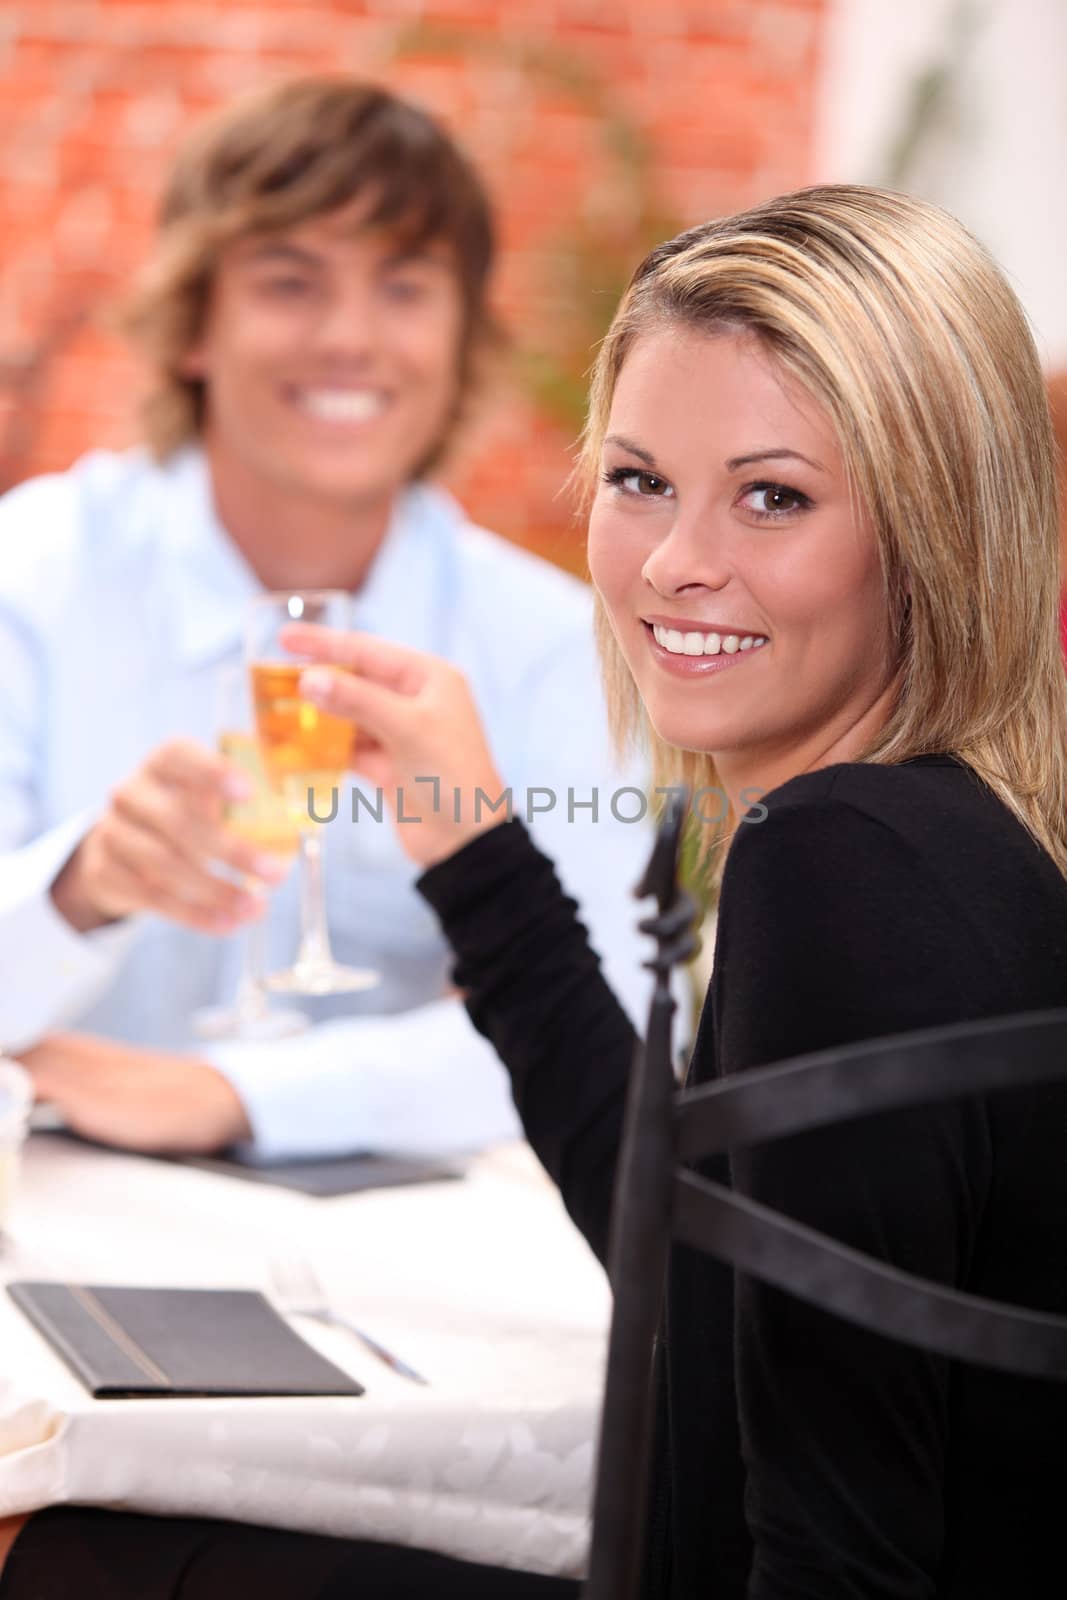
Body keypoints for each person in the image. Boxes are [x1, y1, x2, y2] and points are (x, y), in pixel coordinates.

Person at [6, 182, 1067, 1595]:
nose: (676, 565)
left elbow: (833, 1551)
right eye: (637, 481)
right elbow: (692, 1272)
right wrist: (475, 844)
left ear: (929, 524)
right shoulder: (955, 831)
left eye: (773, 496)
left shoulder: (842, 860)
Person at [0, 76, 654, 1162]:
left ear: (457, 340)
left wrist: (235, 1094)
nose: (350, 337)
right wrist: (81, 886)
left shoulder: (549, 645)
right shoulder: (33, 570)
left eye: (403, 287)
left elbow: (613, 1023)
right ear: (193, 328)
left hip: (406, 1251)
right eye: (290, 282)